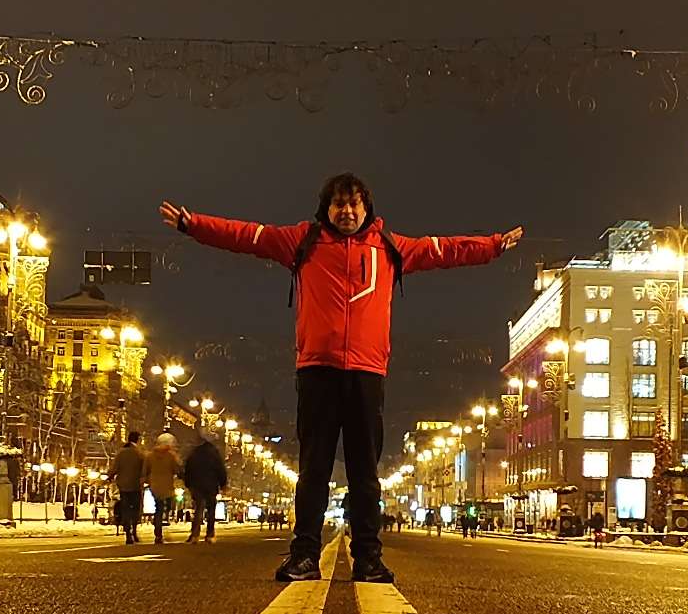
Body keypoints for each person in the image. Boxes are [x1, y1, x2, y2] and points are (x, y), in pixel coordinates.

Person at [161, 174, 520, 583]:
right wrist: (193, 225)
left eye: (354, 204)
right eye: (338, 204)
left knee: (365, 473)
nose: (346, 212)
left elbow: (443, 249)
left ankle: (368, 557)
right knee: (313, 469)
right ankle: (304, 556)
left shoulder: (389, 248)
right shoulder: (303, 242)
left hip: (367, 373)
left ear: (367, 208)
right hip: (317, 371)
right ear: (325, 208)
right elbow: (248, 236)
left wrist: (491, 246)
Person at [182, 430, 227, 542]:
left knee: (198, 508)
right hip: (211, 485)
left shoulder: (194, 453)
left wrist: (188, 483)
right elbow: (220, 469)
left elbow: (188, 468)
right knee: (211, 510)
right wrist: (223, 484)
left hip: (196, 484)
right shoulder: (214, 453)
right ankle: (210, 534)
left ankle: (194, 534)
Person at [108, 431, 146, 543]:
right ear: (137, 440)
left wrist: (110, 476)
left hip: (123, 486)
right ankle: (134, 531)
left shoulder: (121, 453)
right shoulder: (140, 453)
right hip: (135, 485)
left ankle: (128, 533)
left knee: (125, 509)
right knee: (135, 509)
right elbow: (144, 469)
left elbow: (114, 468)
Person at [146, 432, 183, 543]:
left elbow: (145, 470)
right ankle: (164, 521)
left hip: (155, 486)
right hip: (167, 486)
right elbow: (177, 470)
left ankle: (158, 533)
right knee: (167, 506)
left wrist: (147, 480)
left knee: (158, 508)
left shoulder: (150, 456)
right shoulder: (170, 456)